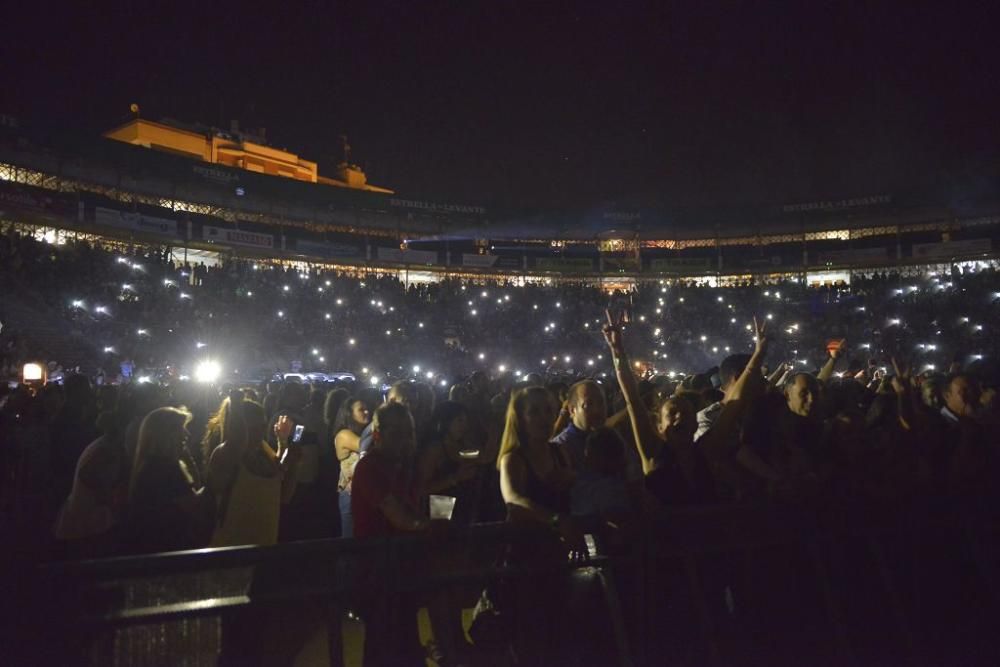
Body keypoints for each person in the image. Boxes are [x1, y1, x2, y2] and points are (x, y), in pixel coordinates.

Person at [497, 386, 584, 666]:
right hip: (526, 562)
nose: (543, 418)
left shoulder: (559, 453)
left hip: (558, 559)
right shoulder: (514, 458)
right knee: (532, 643)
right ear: (519, 418)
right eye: (534, 411)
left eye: (548, 410)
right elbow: (514, 500)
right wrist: (557, 521)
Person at [207, 396, 302, 548]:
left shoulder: (264, 452)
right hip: (231, 550)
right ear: (239, 426)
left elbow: (284, 496)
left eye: (263, 425)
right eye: (254, 426)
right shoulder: (225, 455)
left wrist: (287, 450)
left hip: (266, 545)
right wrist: (235, 404)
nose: (261, 431)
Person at [121, 407, 213, 554]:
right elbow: (195, 505)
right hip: (164, 547)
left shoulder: (151, 463)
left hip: (151, 546)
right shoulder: (164, 467)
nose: (186, 434)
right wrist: (214, 481)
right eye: (181, 429)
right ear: (166, 434)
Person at [332, 395, 371, 537]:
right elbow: (368, 447)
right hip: (350, 495)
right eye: (361, 410)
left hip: (362, 493)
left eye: (367, 409)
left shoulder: (363, 433)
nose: (367, 412)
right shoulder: (344, 434)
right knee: (350, 540)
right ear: (350, 414)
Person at [550, 379, 608, 471]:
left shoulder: (613, 438)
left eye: (601, 403)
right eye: (588, 405)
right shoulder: (560, 449)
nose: (596, 410)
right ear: (572, 410)